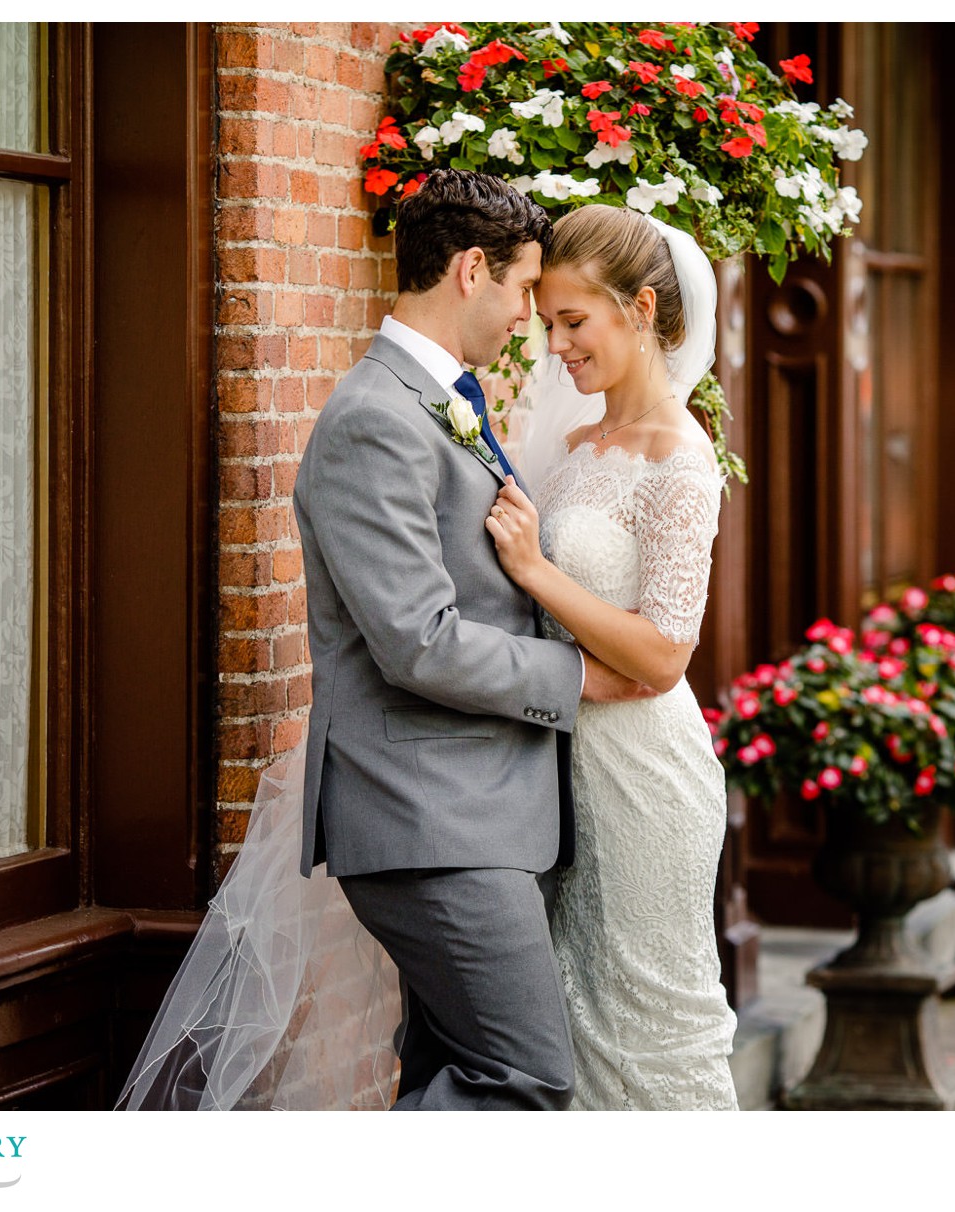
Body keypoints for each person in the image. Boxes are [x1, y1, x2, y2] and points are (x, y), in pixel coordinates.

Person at [117, 179, 736, 1113]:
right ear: (471, 269)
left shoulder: (452, 401)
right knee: (524, 1075)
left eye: (564, 313)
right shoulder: (379, 415)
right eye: (530, 295)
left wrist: (549, 596)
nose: (538, 327)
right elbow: (419, 640)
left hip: (543, 797)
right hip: (437, 810)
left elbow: (615, 626)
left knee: (474, 1067)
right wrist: (575, 673)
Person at [490, 203, 739, 1110]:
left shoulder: (683, 462)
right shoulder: (571, 446)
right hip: (564, 770)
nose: (556, 345)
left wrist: (532, 568)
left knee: (648, 1032)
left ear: (640, 308)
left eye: (573, 322)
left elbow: (666, 653)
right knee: (576, 1026)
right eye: (548, 322)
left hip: (644, 776)